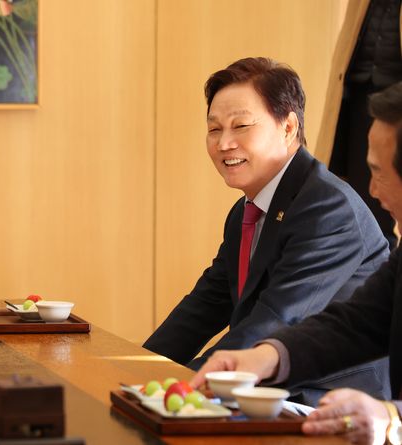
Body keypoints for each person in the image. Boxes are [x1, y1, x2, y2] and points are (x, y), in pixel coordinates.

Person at [143, 57, 390, 405]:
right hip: (266, 392)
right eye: (214, 129)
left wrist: (181, 386)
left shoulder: (328, 207)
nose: (224, 143)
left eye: (241, 125)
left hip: (325, 401)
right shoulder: (246, 210)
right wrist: (138, 368)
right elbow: (204, 306)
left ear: (288, 127)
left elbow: (277, 319)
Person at [190, 81, 402, 445]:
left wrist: (391, 417)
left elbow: (280, 314)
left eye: (379, 172)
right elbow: (355, 324)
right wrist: (268, 357)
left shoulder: (327, 204)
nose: (372, 189)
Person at [318, 0, 402, 248]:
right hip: (356, 92)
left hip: (394, 101)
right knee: (343, 190)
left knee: (380, 202)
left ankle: (379, 260)